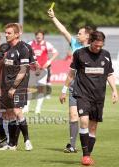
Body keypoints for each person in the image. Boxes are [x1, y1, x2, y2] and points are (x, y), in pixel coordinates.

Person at [67, 31, 118, 166]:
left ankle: (88, 154)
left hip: (98, 96)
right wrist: (63, 89)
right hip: (82, 93)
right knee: (83, 121)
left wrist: (114, 90)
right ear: (91, 41)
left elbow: (109, 74)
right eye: (96, 45)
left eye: (100, 46)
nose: (98, 48)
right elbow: (72, 72)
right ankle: (85, 156)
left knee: (93, 127)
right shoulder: (79, 54)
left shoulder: (106, 55)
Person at [48, 8, 93, 153]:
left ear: (87, 36)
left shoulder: (94, 49)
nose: (77, 35)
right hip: (74, 86)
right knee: (73, 116)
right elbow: (63, 31)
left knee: (87, 120)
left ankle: (87, 148)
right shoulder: (75, 44)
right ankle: (72, 146)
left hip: (90, 88)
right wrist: (53, 17)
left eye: (80, 33)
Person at [0, 23, 32, 151]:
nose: (6, 35)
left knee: (17, 111)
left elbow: (23, 70)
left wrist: (14, 87)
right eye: (5, 33)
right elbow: (2, 69)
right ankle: (12, 144)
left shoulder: (23, 48)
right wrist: (0, 87)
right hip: (6, 85)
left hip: (19, 86)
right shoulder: (6, 49)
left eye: (9, 33)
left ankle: (27, 139)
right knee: (9, 113)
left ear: (17, 34)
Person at [24, 29, 58, 114]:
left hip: (43, 70)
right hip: (32, 70)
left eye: (40, 35)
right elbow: (24, 52)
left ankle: (38, 108)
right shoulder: (30, 43)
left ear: (43, 36)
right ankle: (26, 107)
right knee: (29, 88)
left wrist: (49, 62)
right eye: (37, 35)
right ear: (35, 35)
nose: (39, 36)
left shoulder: (47, 44)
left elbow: (56, 53)